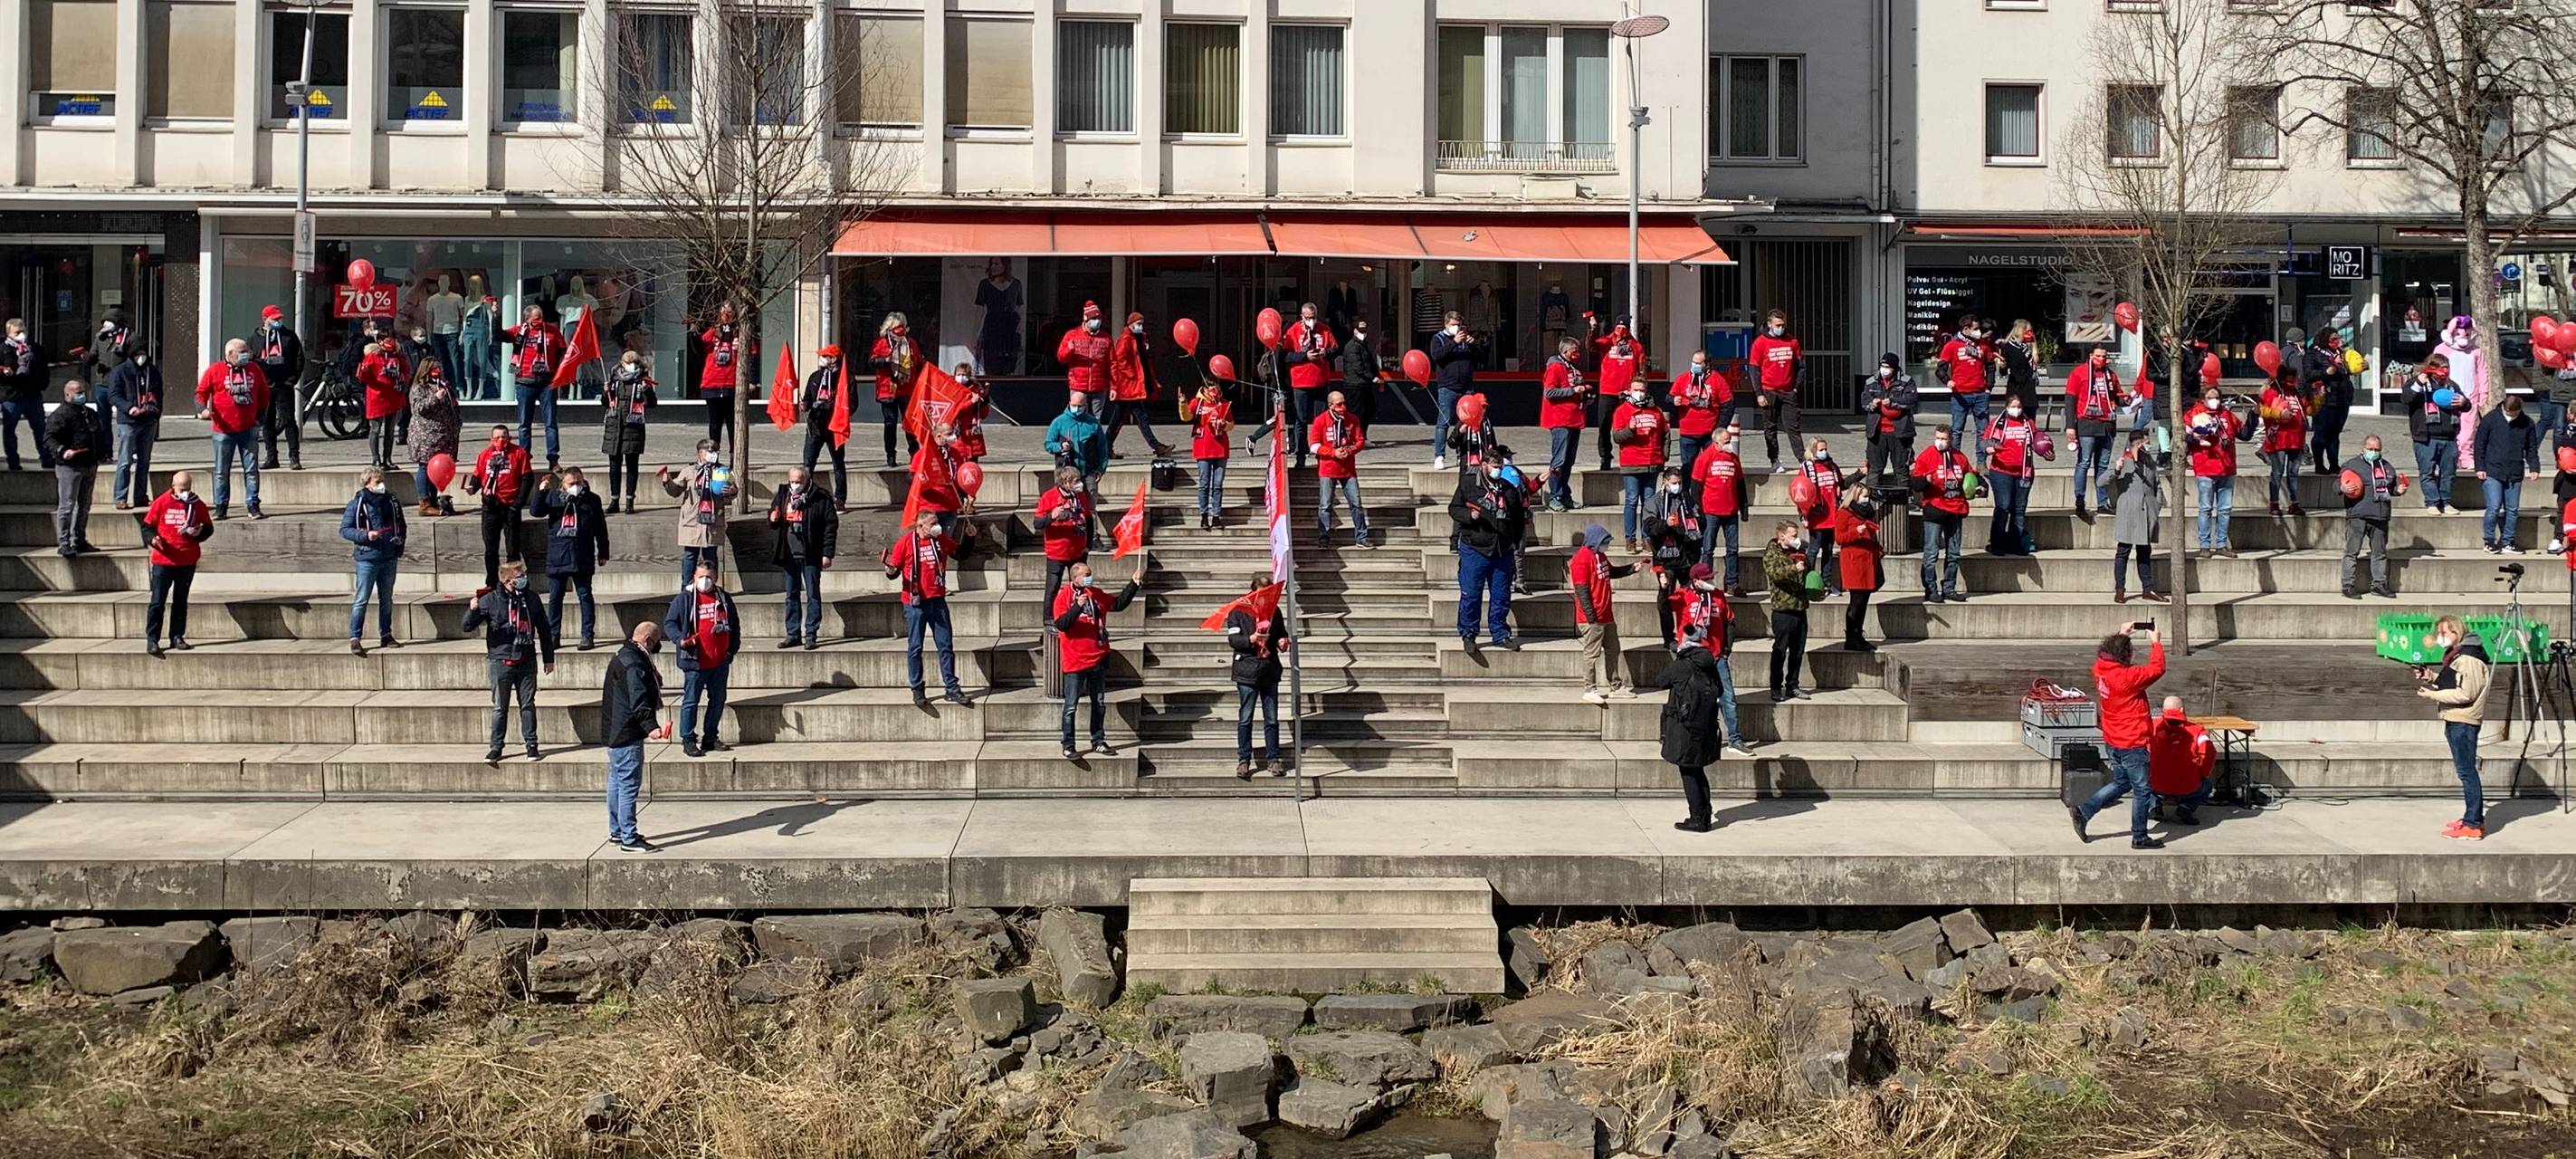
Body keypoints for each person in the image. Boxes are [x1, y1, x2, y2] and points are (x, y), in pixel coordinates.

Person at [2073, 621, 2166, 849]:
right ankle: (2140, 836)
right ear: (2124, 656)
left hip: (2113, 739)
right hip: (2132, 741)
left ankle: (2084, 812)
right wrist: (2156, 642)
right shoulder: (2128, 678)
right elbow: (2157, 669)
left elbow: (2108, 654)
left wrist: (2122, 633)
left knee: (2123, 782)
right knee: (2142, 789)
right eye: (2131, 651)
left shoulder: (2100, 669)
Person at [463, 560, 558, 764]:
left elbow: (544, 628)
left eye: (524, 575)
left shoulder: (531, 599)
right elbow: (467, 627)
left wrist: (549, 658)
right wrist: (472, 610)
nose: (524, 578)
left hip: (526, 658)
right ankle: (496, 747)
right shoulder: (490, 600)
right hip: (501, 660)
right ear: (508, 580)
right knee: (500, 707)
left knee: (528, 705)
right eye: (519, 576)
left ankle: (531, 745)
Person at [1053, 559, 1144, 759]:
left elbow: (1118, 604)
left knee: (1099, 703)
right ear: (1074, 578)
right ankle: (1068, 744)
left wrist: (1133, 584)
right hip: (1075, 660)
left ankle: (1098, 740)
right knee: (1071, 706)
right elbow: (1061, 624)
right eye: (1086, 574)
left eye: (1090, 573)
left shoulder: (1096, 594)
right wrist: (1076, 607)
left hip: (1098, 657)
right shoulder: (1064, 596)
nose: (1090, 577)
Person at [2415, 614, 2491, 840]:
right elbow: (2456, 683)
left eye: (2444, 633)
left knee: (2467, 771)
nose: (2441, 637)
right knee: (2465, 771)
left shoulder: (2467, 658)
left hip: (2464, 720)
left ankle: (2473, 823)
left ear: (2457, 632)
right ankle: (2472, 817)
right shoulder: (2459, 657)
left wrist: (2433, 695)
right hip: (2457, 718)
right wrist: (2431, 677)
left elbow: (2466, 693)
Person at [885, 509, 968, 705]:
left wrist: (970, 538)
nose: (937, 526)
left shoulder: (940, 540)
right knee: (915, 646)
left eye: (937, 522)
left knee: (945, 645)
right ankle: (917, 688)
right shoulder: (906, 542)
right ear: (920, 526)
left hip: (937, 601)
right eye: (933, 523)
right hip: (915, 603)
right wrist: (889, 570)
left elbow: (961, 553)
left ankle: (951, 687)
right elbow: (894, 571)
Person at [1450, 446, 1527, 654]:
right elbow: (1454, 509)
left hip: (1502, 551)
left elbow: (1519, 519)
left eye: (1500, 466)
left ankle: (1500, 633)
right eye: (1494, 466)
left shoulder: (1509, 489)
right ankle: (1468, 634)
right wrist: (1468, 517)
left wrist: (1515, 541)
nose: (1498, 470)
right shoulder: (1468, 485)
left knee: (1501, 596)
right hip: (1474, 548)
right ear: (1484, 465)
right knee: (1471, 595)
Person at [663, 561, 741, 757]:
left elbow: (735, 624)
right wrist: (680, 640)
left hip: (720, 661)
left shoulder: (723, 598)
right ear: (694, 577)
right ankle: (688, 738)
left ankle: (710, 737)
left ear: (715, 578)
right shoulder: (684, 599)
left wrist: (731, 650)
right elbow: (670, 623)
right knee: (691, 701)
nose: (704, 580)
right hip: (695, 662)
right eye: (701, 576)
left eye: (708, 576)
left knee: (717, 700)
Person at [600, 621, 666, 853]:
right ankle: (629, 837)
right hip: (627, 731)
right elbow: (638, 699)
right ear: (648, 641)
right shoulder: (634, 664)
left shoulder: (624, 653)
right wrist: (652, 727)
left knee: (616, 782)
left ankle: (617, 831)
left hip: (614, 730)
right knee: (628, 784)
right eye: (656, 642)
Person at [1655, 623, 1727, 834]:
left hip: (1685, 727)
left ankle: (1697, 817)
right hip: (1706, 725)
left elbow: (1660, 681)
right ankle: (1704, 814)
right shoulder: (1709, 663)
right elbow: (1720, 690)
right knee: (1698, 769)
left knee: (1688, 770)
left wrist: (1678, 658)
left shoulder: (1683, 665)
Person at [532, 466, 611, 648]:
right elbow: (536, 512)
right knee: (555, 598)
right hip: (558, 555)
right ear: (563, 484)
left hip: (582, 554)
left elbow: (600, 527)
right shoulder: (553, 497)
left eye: (579, 483)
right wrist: (541, 492)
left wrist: (603, 551)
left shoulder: (592, 500)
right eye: (572, 483)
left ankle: (587, 635)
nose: (576, 486)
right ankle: (553, 635)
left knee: (584, 595)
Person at [137, 471, 211, 656]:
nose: (185, 492)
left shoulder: (197, 505)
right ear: (173, 486)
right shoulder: (161, 502)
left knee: (180, 600)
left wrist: (197, 533)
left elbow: (208, 528)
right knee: (157, 602)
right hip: (164, 560)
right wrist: (152, 539)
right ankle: (152, 638)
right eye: (182, 489)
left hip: (187, 560)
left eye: (188, 488)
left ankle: (176, 635)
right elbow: (147, 526)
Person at [1226, 574, 1294, 778]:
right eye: (1263, 594)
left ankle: (1273, 758)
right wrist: (1251, 638)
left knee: (1271, 718)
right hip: (1247, 670)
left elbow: (1281, 633)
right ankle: (1244, 759)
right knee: (1246, 718)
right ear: (1254, 592)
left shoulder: (1274, 611)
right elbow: (1233, 639)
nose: (1267, 598)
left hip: (1269, 670)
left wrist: (1283, 641)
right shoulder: (1238, 611)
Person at [196, 338, 269, 520]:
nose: (246, 355)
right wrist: (203, 410)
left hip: (248, 428)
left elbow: (264, 394)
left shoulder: (254, 369)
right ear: (229, 354)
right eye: (241, 352)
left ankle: (253, 505)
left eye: (247, 352)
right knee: (221, 471)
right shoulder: (215, 370)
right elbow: (200, 393)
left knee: (251, 470)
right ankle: (221, 506)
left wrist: (260, 418)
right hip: (223, 430)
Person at [768, 465, 840, 653]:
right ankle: (792, 634)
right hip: (789, 553)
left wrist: (827, 554)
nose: (795, 485)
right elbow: (773, 517)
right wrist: (773, 517)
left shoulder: (821, 497)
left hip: (811, 554)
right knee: (791, 595)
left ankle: (811, 634)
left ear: (807, 480)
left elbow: (830, 527)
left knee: (813, 595)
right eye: (792, 481)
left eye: (798, 482)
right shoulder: (783, 494)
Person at [339, 465, 407, 654]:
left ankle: (386, 634)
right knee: (361, 599)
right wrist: (366, 535)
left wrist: (398, 547)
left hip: (389, 557)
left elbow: (401, 525)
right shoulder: (357, 504)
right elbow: (345, 530)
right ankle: (355, 637)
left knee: (387, 599)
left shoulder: (391, 501)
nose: (381, 485)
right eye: (377, 482)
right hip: (367, 559)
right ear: (367, 484)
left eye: (382, 481)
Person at [1570, 524, 1638, 704]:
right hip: (1592, 618)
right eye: (1605, 542)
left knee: (1613, 649)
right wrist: (1591, 618)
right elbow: (1582, 590)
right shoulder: (1581, 560)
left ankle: (1615, 686)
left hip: (1606, 614)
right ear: (1594, 541)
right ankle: (1589, 688)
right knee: (1591, 654)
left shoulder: (1600, 556)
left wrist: (1631, 568)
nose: (1607, 545)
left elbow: (1612, 572)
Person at [2182, 383, 2252, 557]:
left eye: (2217, 397)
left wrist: (2254, 415)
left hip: (2227, 468)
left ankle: (2221, 544)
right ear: (2203, 399)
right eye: (2211, 397)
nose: (2215, 401)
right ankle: (2204, 545)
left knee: (2225, 509)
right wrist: (2194, 437)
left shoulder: (2227, 415)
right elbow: (2182, 439)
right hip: (2205, 468)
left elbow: (2244, 434)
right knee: (2205, 508)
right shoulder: (2193, 414)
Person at [463, 425, 533, 588]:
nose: (501, 440)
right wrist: (472, 488)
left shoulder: (519, 453)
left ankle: (513, 584)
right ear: (491, 439)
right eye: (497, 437)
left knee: (513, 549)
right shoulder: (484, 455)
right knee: (490, 548)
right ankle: (492, 583)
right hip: (490, 506)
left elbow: (527, 479)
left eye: (504, 436)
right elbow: (478, 477)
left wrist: (518, 504)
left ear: (510, 438)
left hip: (510, 506)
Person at [2401, 353, 2471, 514]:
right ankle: (2432, 502)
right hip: (2425, 438)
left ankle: (2446, 502)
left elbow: (2467, 406)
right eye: (2441, 367)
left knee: (2448, 473)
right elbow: (2406, 399)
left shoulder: (2452, 386)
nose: (2444, 371)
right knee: (2427, 472)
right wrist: (2420, 381)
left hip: (2449, 438)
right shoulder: (2418, 383)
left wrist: (2463, 402)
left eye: (2447, 367)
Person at [1640, 465, 1702, 647]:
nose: (1678, 486)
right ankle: (1669, 637)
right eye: (1674, 483)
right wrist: (1666, 524)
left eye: (1680, 482)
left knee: (1689, 599)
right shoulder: (1655, 502)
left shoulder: (1687, 499)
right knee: (1665, 599)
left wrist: (1692, 528)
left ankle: (1687, 634)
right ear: (1665, 482)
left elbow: (1699, 521)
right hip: (1665, 559)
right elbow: (1649, 527)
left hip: (1687, 558)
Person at [2064, 346, 2127, 521]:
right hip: (2086, 424)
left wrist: (2127, 399)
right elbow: (2070, 399)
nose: (2102, 359)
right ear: (2091, 356)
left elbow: (2116, 397)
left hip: (2107, 425)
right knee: (2084, 463)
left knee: (2103, 465)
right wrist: (2070, 426)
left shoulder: (2110, 375)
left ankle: (2102, 502)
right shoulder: (2079, 373)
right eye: (2098, 356)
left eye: (2105, 356)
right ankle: (2080, 500)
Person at [499, 303, 566, 470]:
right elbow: (499, 335)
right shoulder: (518, 331)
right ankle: (524, 459)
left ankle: (553, 459)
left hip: (547, 383)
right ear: (527, 319)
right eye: (536, 319)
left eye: (541, 317)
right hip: (524, 382)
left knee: (550, 423)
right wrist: (496, 316)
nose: (539, 321)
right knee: (524, 424)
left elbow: (563, 352)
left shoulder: (552, 330)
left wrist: (558, 373)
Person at [2474, 393, 2543, 554]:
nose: (2512, 417)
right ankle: (2489, 540)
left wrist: (2534, 467)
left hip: (2514, 471)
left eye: (2515, 414)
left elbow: (2531, 448)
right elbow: (2480, 445)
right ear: (2503, 408)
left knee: (2512, 509)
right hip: (2493, 470)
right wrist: (2480, 467)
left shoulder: (2527, 423)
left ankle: (2508, 541)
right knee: (2494, 507)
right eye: (2509, 414)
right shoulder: (2490, 419)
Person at [1911, 426, 1971, 602]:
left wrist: (1980, 488)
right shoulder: (1926, 456)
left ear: (1951, 440)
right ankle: (1930, 589)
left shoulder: (1959, 457)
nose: (1941, 441)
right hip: (1935, 509)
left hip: (1955, 510)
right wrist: (1925, 480)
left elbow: (1971, 477)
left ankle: (1949, 588)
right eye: (1938, 438)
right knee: (1931, 554)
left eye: (1945, 438)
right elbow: (1915, 484)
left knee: (1953, 554)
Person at [1608, 381, 1670, 552]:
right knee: (1632, 500)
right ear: (1629, 391)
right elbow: (1617, 437)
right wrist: (1630, 430)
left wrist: (1664, 455)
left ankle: (1647, 538)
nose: (1639, 393)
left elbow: (1665, 434)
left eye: (1642, 390)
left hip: (1652, 463)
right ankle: (1630, 539)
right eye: (1636, 390)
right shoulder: (1622, 411)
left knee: (1649, 503)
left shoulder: (1656, 411)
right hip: (1632, 463)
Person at [43, 379, 102, 556]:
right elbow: (49, 438)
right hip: (69, 467)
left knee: (84, 506)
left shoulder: (89, 413)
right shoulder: (60, 414)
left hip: (89, 464)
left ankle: (79, 540)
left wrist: (101, 453)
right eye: (77, 392)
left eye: (82, 391)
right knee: (67, 505)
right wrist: (62, 451)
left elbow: (98, 433)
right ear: (67, 394)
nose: (81, 395)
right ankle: (64, 542)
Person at [2109, 430, 2169, 604]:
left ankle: (2147, 588)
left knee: (2144, 551)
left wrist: (2156, 504)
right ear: (2137, 444)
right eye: (2145, 442)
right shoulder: (2124, 460)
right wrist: (2116, 469)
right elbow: (2102, 481)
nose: (2147, 445)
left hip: (2146, 511)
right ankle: (2120, 589)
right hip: (2129, 512)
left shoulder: (2149, 461)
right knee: (2123, 551)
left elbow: (2156, 484)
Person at [1105, 311, 1175, 458]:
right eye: (1138, 324)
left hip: (1133, 386)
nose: (1140, 326)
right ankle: (1156, 446)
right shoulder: (1125, 341)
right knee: (1140, 417)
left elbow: (1144, 364)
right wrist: (1132, 375)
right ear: (1130, 325)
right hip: (1128, 387)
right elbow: (1120, 361)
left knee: (1119, 418)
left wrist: (1150, 380)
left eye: (1141, 324)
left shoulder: (1140, 339)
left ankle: (1106, 446)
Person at [2340, 435, 2401, 599]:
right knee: (2352, 552)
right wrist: (2342, 487)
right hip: (2358, 515)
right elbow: (2337, 485)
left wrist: (2398, 490)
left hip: (2380, 516)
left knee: (2379, 553)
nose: (2374, 452)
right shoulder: (2351, 465)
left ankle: (2379, 585)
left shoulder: (2387, 467)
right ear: (2363, 448)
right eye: (2371, 449)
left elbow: (2392, 487)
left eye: (2377, 449)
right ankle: (2348, 586)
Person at [100, 343, 161, 510]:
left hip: (148, 421)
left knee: (144, 461)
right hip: (128, 422)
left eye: (143, 353)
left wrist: (155, 413)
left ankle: (140, 496)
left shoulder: (152, 371)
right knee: (125, 461)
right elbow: (113, 396)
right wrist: (129, 408)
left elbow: (159, 393)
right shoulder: (120, 371)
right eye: (137, 354)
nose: (140, 357)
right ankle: (120, 496)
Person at [660, 439, 730, 584]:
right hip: (692, 520)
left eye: (715, 451)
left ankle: (712, 586)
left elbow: (733, 489)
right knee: (690, 555)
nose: (713, 454)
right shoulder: (689, 471)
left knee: (711, 555)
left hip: (713, 520)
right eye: (709, 451)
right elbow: (675, 491)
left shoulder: (721, 470)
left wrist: (732, 491)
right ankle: (686, 587)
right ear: (700, 453)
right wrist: (668, 482)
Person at [1980, 394, 2041, 556]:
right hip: (2002, 472)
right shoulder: (1998, 423)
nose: (2017, 410)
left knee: (2019, 509)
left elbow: (2038, 442)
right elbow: (1984, 441)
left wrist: (2047, 452)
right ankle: (1997, 544)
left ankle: (2015, 543)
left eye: (2019, 406)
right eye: (2013, 406)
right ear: (2007, 407)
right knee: (2003, 506)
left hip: (2023, 472)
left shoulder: (2029, 423)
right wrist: (1988, 448)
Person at [1691, 426, 1749, 595]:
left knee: (1733, 549)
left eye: (1729, 441)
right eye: (1726, 442)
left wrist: (1744, 506)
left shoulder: (1733, 458)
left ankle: (1732, 583)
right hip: (1711, 511)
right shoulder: (1705, 458)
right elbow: (1696, 486)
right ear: (1716, 443)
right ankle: (1705, 581)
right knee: (1708, 549)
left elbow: (1740, 483)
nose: (1729, 445)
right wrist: (1698, 511)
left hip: (1730, 510)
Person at [1281, 303, 1340, 469]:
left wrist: (1325, 353)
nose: (1311, 321)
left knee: (1321, 420)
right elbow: (1286, 355)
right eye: (1308, 318)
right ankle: (1301, 456)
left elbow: (1336, 349)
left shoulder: (1325, 329)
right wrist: (1304, 356)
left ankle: (1322, 455)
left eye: (1313, 317)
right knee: (1301, 420)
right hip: (1300, 382)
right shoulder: (1294, 330)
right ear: (1302, 316)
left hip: (1320, 381)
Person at [1311, 389, 1371, 549]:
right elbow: (1314, 446)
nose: (1343, 407)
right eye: (1339, 404)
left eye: (1344, 403)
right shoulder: (1320, 421)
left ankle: (1361, 537)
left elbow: (1360, 440)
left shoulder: (1352, 420)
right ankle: (1323, 537)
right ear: (1330, 405)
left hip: (1348, 469)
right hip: (1327, 469)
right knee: (1325, 505)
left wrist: (1350, 450)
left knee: (1356, 504)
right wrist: (1333, 452)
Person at [1033, 464, 1096, 614]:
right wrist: (1051, 516)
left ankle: (1080, 613)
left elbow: (1088, 519)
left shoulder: (1079, 495)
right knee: (1053, 588)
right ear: (1066, 483)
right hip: (1057, 552)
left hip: (1078, 550)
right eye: (1075, 481)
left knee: (1081, 585)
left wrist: (1089, 544)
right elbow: (1037, 524)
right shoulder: (1049, 497)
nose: (1079, 484)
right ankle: (1049, 620)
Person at [2146, 696, 2218, 827]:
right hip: (2188, 786)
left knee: (2140, 781)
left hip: (2157, 784)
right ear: (2182, 710)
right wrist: (2201, 774)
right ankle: (2185, 808)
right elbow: (2210, 752)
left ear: (2163, 710)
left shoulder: (2151, 728)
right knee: (2207, 785)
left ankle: (2154, 807)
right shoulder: (2198, 730)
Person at [1044, 390, 1111, 530]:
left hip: (1089, 471)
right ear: (1069, 403)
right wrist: (1060, 446)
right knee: (1066, 505)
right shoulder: (1059, 422)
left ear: (1086, 405)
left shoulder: (1093, 423)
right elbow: (1048, 444)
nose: (1077, 408)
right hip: (1067, 474)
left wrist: (1101, 468)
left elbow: (1103, 448)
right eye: (1074, 405)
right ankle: (1068, 531)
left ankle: (1093, 536)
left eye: (1080, 406)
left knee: (1090, 506)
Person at [1762, 521, 1813, 701]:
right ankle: (1775, 687)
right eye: (1793, 535)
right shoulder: (1772, 554)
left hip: (1799, 607)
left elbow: (1808, 573)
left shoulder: (1798, 553)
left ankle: (1793, 685)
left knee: (1798, 651)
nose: (1796, 538)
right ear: (1782, 535)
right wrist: (1794, 568)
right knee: (1780, 650)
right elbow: (1775, 574)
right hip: (1783, 609)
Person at [600, 349, 654, 512]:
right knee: (614, 465)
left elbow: (652, 404)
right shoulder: (614, 378)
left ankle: (630, 500)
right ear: (621, 363)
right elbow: (605, 403)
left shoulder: (643, 380)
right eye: (627, 363)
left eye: (633, 363)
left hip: (633, 426)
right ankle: (614, 499)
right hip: (614, 425)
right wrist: (605, 391)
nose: (630, 366)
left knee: (632, 464)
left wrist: (647, 391)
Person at [1749, 309, 1805, 472]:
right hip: (1768, 391)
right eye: (1778, 325)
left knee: (1793, 427)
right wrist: (1759, 393)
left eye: (1783, 325)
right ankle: (1774, 460)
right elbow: (1754, 370)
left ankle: (1802, 460)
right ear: (1769, 324)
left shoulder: (1792, 342)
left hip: (1788, 391)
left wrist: (1796, 387)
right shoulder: (1760, 343)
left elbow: (1800, 367)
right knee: (1770, 428)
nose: (1781, 328)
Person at [249, 305, 303, 471]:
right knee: (268, 422)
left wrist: (292, 380)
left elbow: (299, 358)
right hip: (265, 386)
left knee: (288, 421)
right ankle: (271, 456)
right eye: (274, 319)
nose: (278, 321)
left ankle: (294, 457)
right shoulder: (254, 338)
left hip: (283, 385)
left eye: (279, 318)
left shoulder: (289, 336)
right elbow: (250, 360)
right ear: (265, 319)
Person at [1539, 335, 1589, 511]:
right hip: (1560, 420)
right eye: (1575, 351)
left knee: (1568, 461)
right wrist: (1573, 390)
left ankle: (1564, 494)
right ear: (1566, 351)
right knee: (1559, 461)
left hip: (1574, 419)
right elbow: (1550, 393)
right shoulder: (1555, 368)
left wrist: (1585, 394)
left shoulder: (1572, 368)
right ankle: (1554, 496)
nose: (1577, 355)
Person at [407, 357, 460, 517]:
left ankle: (433, 499)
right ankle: (424, 502)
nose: (438, 371)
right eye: (434, 369)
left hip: (444, 435)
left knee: (437, 469)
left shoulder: (443, 385)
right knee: (425, 466)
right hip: (426, 436)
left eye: (439, 368)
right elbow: (419, 408)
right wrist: (435, 398)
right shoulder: (419, 388)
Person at [1590, 316, 1644, 472]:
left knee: (1629, 425)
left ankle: (1631, 456)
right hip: (1608, 390)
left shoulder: (1636, 346)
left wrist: (1641, 388)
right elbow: (1591, 345)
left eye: (1624, 328)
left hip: (1628, 392)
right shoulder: (1607, 342)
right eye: (1618, 327)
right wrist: (1593, 329)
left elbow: (1641, 369)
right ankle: (1605, 457)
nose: (1621, 331)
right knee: (1604, 425)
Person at [872, 313, 926, 468]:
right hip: (888, 389)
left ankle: (914, 454)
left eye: (903, 327)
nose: (900, 331)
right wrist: (886, 359)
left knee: (910, 423)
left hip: (908, 388)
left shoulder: (911, 343)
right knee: (890, 423)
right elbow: (872, 362)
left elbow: (919, 363)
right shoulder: (881, 343)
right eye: (897, 328)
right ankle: (890, 455)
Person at [2256, 369, 2312, 517]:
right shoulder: (2272, 392)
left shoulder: (2297, 395)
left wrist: (2318, 396)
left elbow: (2310, 410)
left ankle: (2294, 503)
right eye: (2289, 380)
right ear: (2281, 380)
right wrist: (2278, 414)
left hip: (2296, 439)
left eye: (2294, 380)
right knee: (2277, 472)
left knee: (2293, 473)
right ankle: (2274, 503)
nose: (2292, 383)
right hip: (2278, 439)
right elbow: (2260, 410)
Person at [1833, 489, 1884, 652]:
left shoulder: (1867, 513)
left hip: (1868, 559)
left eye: (1867, 496)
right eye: (1863, 496)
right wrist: (1856, 531)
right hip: (1854, 561)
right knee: (1857, 601)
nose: (1866, 499)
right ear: (1854, 496)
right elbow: (1840, 538)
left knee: (1863, 601)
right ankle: (1852, 637)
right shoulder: (1844, 513)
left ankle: (1858, 635)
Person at [1671, 350, 1730, 490]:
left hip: (1709, 434)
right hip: (1688, 434)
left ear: (1707, 364)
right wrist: (1674, 400)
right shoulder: (1683, 378)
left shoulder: (1717, 379)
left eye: (1698, 363)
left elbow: (1728, 405)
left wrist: (1719, 429)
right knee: (1688, 468)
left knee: (1711, 467)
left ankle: (1708, 494)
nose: (1694, 365)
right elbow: (1669, 398)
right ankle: (1686, 499)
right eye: (1693, 362)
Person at [1858, 353, 1918, 489]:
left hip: (1901, 433)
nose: (1884, 369)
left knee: (1901, 469)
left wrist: (1893, 402)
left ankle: (1902, 502)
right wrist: (1872, 403)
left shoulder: (1907, 381)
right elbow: (1864, 402)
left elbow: (1911, 401)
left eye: (1887, 367)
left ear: (1895, 368)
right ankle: (1873, 501)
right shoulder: (1871, 382)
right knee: (1874, 469)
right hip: (1877, 433)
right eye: (1882, 366)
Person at [795, 344, 846, 499]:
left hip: (834, 427)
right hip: (815, 426)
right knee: (808, 464)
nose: (821, 359)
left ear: (833, 359)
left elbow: (852, 403)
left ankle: (840, 498)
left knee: (838, 465)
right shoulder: (815, 376)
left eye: (825, 356)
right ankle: (804, 496)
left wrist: (834, 409)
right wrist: (805, 405)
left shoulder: (845, 378)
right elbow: (808, 399)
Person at [1793, 437, 1846, 589]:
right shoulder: (1807, 468)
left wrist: (1859, 474)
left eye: (1825, 448)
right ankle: (1807, 581)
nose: (1824, 452)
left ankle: (1826, 581)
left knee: (1828, 550)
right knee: (1814, 550)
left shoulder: (1832, 466)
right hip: (1817, 518)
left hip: (1832, 516)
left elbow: (1841, 484)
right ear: (1813, 450)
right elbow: (1799, 493)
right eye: (1821, 449)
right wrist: (1803, 516)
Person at [1182, 378, 1234, 530]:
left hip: (1221, 448)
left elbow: (1231, 424)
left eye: (1216, 388)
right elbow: (1186, 417)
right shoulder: (1197, 402)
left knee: (1218, 485)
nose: (1214, 392)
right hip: (1203, 448)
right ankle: (1204, 515)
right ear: (1204, 389)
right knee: (1204, 484)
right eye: (1211, 388)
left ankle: (1216, 516)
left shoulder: (1223, 403)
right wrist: (1182, 403)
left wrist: (1224, 425)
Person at [1429, 311, 1477, 469]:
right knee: (1443, 422)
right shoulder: (1438, 339)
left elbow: (1478, 359)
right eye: (1453, 325)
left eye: (1459, 325)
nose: (1456, 328)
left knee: (1464, 423)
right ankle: (1439, 456)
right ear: (1446, 324)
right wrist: (1454, 342)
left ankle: (1461, 455)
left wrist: (1473, 345)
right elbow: (1437, 356)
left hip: (1466, 387)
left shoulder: (1465, 339)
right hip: (1447, 387)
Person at [1938, 314, 1999, 440]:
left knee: (1983, 431)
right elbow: (1940, 369)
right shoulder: (1952, 345)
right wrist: (1947, 381)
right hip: (1960, 394)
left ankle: (1981, 459)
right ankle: (1954, 459)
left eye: (1979, 328)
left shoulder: (1984, 345)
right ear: (1965, 329)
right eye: (1975, 329)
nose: (1978, 332)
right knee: (1956, 430)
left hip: (1981, 393)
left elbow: (1991, 367)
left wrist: (1989, 387)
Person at [695, 304, 745, 454]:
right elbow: (699, 345)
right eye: (722, 312)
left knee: (732, 422)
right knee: (715, 423)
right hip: (712, 383)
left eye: (729, 312)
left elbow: (752, 354)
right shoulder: (713, 332)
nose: (725, 315)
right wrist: (694, 330)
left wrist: (752, 381)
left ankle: (734, 456)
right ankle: (713, 455)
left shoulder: (740, 333)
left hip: (731, 383)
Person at [2305, 330, 2357, 474]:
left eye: (2338, 338)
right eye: (2333, 339)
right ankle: (2319, 465)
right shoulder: (2313, 353)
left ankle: (2334, 464)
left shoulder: (2341, 352)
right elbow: (2308, 374)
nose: (2337, 341)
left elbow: (2347, 371)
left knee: (2335, 434)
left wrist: (2356, 366)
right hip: (2322, 400)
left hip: (2341, 399)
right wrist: (2327, 372)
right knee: (2321, 434)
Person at [0, 319, 49, 471]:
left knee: (41, 428)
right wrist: (6, 374)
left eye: (23, 331)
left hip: (33, 394)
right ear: (9, 333)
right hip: (12, 395)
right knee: (10, 429)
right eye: (17, 332)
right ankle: (13, 460)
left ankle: (47, 458)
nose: (21, 335)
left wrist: (41, 384)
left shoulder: (35, 349)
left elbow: (43, 368)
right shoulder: (3, 349)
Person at [357, 336, 408, 468]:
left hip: (393, 396)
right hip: (377, 397)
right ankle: (376, 458)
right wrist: (363, 370)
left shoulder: (398, 357)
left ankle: (388, 458)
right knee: (375, 429)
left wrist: (403, 382)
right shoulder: (372, 357)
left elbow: (406, 372)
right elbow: (362, 377)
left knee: (390, 430)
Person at [1340, 320, 1383, 434]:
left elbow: (1370, 364)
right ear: (1355, 331)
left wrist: (1377, 375)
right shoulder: (1352, 347)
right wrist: (1373, 377)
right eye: (1361, 331)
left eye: (1365, 331)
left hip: (1364, 384)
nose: (1363, 333)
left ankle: (1362, 435)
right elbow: (1358, 367)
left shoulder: (1363, 346)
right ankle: (1354, 436)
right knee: (1356, 413)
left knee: (1369, 410)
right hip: (1354, 385)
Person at [1997, 319, 2042, 401]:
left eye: (2031, 331)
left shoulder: (2027, 347)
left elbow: (2033, 366)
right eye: (2027, 331)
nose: (2030, 334)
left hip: (2029, 389)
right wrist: (2003, 366)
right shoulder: (2008, 347)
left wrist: (2033, 347)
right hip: (2016, 388)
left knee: (2031, 412)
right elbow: (2004, 371)